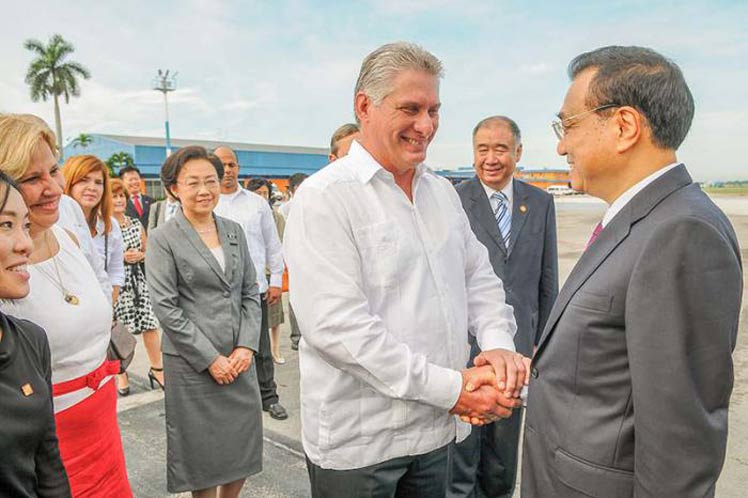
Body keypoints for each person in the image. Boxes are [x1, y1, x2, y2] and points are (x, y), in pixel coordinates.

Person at [283, 42, 527, 498]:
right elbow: (338, 329)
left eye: (434, 110)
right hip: (364, 441)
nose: (427, 125)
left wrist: (496, 346)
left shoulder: (441, 193)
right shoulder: (325, 198)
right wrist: (454, 390)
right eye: (411, 109)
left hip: (437, 432)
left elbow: (479, 277)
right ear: (364, 107)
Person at [522, 46, 743, 498]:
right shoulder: (636, 219)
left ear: (624, 127)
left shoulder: (681, 232)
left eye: (568, 125)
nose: (562, 145)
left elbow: (680, 446)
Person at [0, 113, 132, 497]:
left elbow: (99, 279)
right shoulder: (8, 269)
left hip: (104, 420)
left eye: (54, 170)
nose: (53, 188)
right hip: (48, 442)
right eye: (31, 179)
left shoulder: (69, 216)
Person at [448, 116, 559, 498]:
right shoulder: (453, 199)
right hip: (466, 347)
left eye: (500, 149)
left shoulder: (540, 202)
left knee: (502, 452)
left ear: (518, 152)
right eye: (482, 149)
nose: (490, 158)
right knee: (462, 450)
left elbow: (548, 279)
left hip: (520, 349)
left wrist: (542, 342)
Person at [146, 146, 263, 498]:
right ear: (174, 188)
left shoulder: (233, 231)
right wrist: (211, 359)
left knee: (242, 441)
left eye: (210, 180)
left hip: (239, 359)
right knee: (203, 454)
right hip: (193, 364)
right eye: (193, 182)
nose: (204, 190)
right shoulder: (164, 238)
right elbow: (166, 307)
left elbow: (249, 291)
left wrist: (246, 345)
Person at [0, 172, 72, 498]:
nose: (26, 243)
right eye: (5, 225)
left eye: (25, 225)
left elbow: (48, 468)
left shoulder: (30, 340)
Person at [213, 146, 288, 421]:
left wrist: (276, 280)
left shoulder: (256, 204)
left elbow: (272, 244)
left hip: (255, 288)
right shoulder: (208, 204)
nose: (228, 170)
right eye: (222, 164)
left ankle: (269, 397)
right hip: (218, 292)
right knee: (225, 349)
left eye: (232, 164)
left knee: (260, 349)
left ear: (238, 168)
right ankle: (234, 402)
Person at [111, 178, 164, 390]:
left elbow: (149, 250)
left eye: (121, 196)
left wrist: (140, 255)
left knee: (149, 325)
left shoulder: (134, 223)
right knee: (117, 330)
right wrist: (122, 256)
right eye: (113, 196)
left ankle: (157, 369)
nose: (118, 200)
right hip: (117, 284)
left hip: (138, 281)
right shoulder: (104, 226)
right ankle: (121, 372)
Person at [248, 178, 286, 364]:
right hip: (254, 275)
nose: (262, 197)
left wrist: (276, 277)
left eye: (265, 193)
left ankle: (275, 349)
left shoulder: (277, 216)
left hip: (270, 273)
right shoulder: (247, 213)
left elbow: (277, 244)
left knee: (274, 317)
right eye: (258, 193)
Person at [120, 165, 154, 231]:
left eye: (136, 179)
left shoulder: (152, 201)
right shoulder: (120, 203)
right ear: (122, 182)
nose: (134, 182)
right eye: (130, 180)